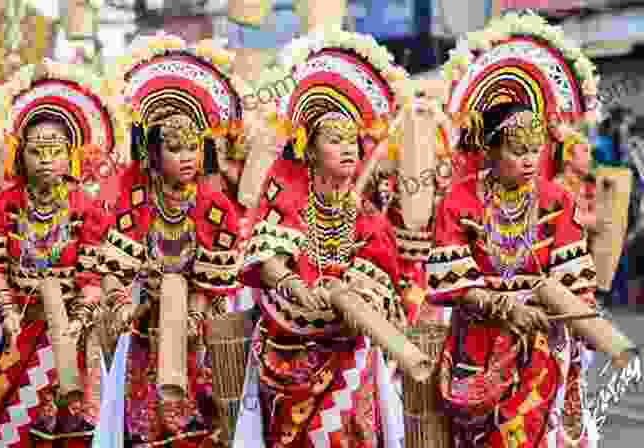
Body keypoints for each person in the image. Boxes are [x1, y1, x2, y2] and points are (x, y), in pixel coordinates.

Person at [430, 12, 635, 447]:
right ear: (490, 148)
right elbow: (453, 280)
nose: (528, 159)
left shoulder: (554, 199)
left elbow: (572, 271)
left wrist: (582, 322)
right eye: (516, 149)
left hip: (543, 339)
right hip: (481, 342)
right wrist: (506, 307)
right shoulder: (459, 199)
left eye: (534, 149)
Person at [232, 29, 436, 448]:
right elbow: (268, 256)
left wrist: (347, 290)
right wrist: (295, 287)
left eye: (353, 140)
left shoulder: (368, 217)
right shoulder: (286, 191)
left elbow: (379, 276)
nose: (349, 150)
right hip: (287, 344)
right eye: (335, 140)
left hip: (349, 347)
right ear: (309, 148)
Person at [96, 35, 247, 447]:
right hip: (146, 323)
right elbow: (115, 263)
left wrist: (194, 314)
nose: (187, 157)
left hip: (202, 324)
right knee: (141, 423)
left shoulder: (214, 202)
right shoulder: (137, 195)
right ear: (151, 151)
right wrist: (122, 303)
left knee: (206, 419)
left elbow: (220, 271)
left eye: (194, 147)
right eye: (175, 148)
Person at [0, 60, 115, 446]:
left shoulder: (85, 208)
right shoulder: (5, 204)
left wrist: (81, 317)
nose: (47, 160)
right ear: (21, 155)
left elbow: (93, 274)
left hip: (71, 329)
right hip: (19, 324)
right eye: (37, 152)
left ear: (70, 154)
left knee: (72, 421)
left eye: (55, 151)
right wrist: (8, 310)